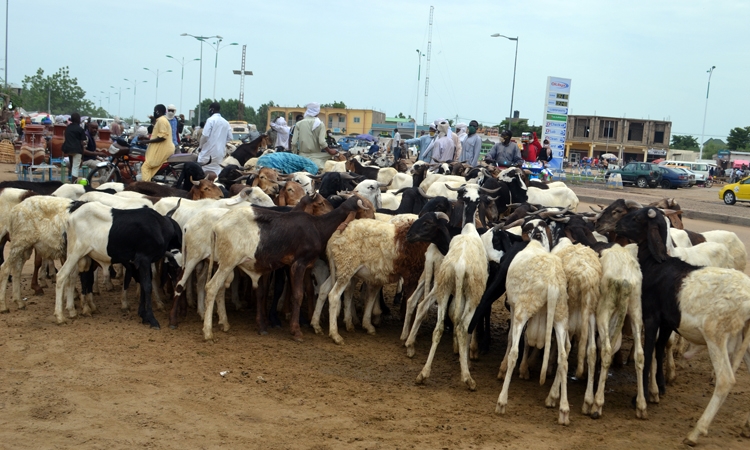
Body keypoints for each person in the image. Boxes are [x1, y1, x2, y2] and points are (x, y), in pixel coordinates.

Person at [291, 102, 336, 170]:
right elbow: (322, 142)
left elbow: (294, 143)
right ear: (317, 112)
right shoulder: (320, 124)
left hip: (302, 157)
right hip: (317, 159)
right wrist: (330, 151)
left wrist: (295, 155)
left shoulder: (299, 124)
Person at [138, 104, 175, 182]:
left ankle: (145, 187)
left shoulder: (161, 120)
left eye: (155, 111)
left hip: (163, 149)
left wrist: (146, 141)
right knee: (151, 168)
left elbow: (162, 137)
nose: (154, 113)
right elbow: (157, 136)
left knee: (146, 166)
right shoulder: (162, 120)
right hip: (163, 148)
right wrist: (145, 138)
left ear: (159, 111)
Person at [198, 101, 232, 177]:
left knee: (203, 173)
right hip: (220, 153)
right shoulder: (226, 122)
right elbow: (230, 137)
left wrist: (200, 147)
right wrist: (221, 143)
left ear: (212, 110)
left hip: (208, 153)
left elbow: (205, 136)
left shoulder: (210, 120)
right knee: (217, 173)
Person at [61, 113, 93, 182]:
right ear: (78, 120)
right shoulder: (80, 129)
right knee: (75, 168)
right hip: (77, 150)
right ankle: (74, 184)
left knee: (72, 166)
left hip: (68, 149)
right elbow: (82, 143)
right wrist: (82, 156)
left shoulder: (67, 128)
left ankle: (72, 182)